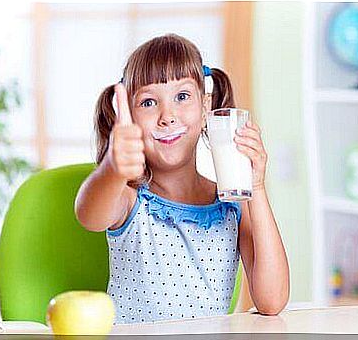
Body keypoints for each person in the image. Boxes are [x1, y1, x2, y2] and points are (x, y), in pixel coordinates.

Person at [75, 33, 289, 324]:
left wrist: (257, 188)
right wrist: (112, 167)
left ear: (205, 109)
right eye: (149, 103)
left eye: (182, 97)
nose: (167, 116)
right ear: (131, 119)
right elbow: (89, 215)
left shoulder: (232, 204)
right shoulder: (130, 199)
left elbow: (272, 300)